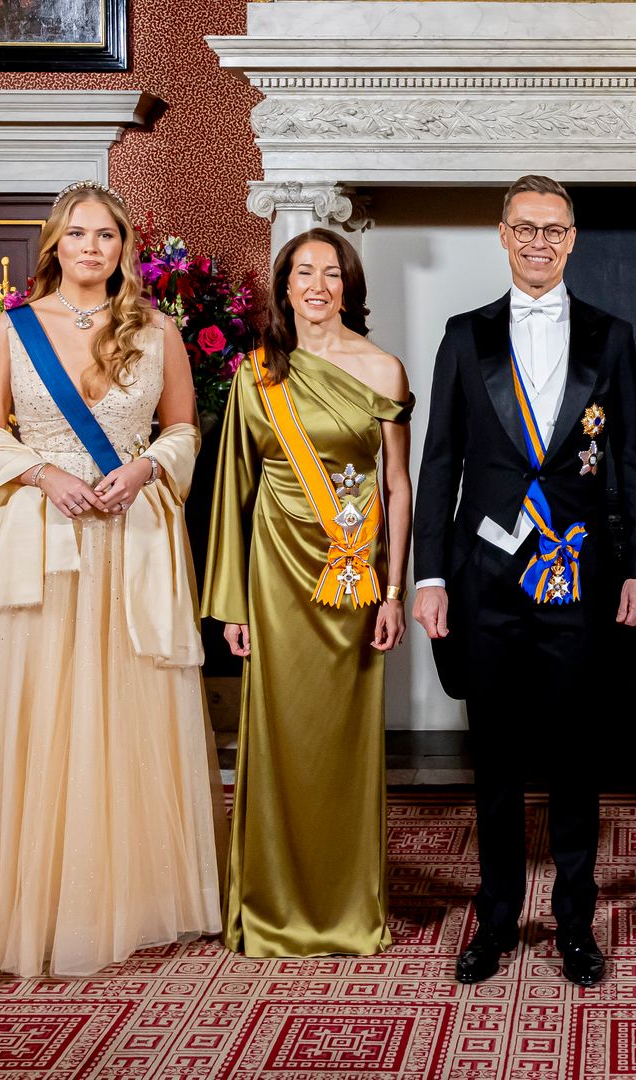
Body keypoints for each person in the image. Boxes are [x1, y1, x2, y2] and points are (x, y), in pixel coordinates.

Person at [0, 181, 223, 980]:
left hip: (133, 536)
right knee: (38, 713)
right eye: (78, 234)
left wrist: (148, 466)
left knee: (125, 712)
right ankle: (26, 900)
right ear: (55, 244)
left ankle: (129, 896)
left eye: (107, 235)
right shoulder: (10, 331)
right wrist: (42, 473)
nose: (92, 247)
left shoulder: (156, 332)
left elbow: (185, 429)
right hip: (40, 535)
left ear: (124, 248)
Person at [413, 175, 636, 988]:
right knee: (495, 759)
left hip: (577, 579)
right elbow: (440, 463)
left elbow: (634, 463)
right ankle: (494, 919)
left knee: (574, 756)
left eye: (554, 230)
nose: (540, 243)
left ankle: (575, 923)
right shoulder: (464, 335)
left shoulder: (611, 335)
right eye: (526, 229)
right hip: (484, 579)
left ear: (573, 238)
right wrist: (430, 576)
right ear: (502, 234)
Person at [202, 228, 413, 957]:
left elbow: (396, 484)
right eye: (303, 272)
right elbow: (231, 488)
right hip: (275, 577)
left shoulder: (383, 370)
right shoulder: (255, 375)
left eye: (331, 272)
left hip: (351, 577)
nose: (317, 285)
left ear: (350, 287)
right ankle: (271, 905)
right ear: (283, 285)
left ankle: (348, 905)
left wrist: (392, 589)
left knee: (345, 743)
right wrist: (230, 604)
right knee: (278, 735)